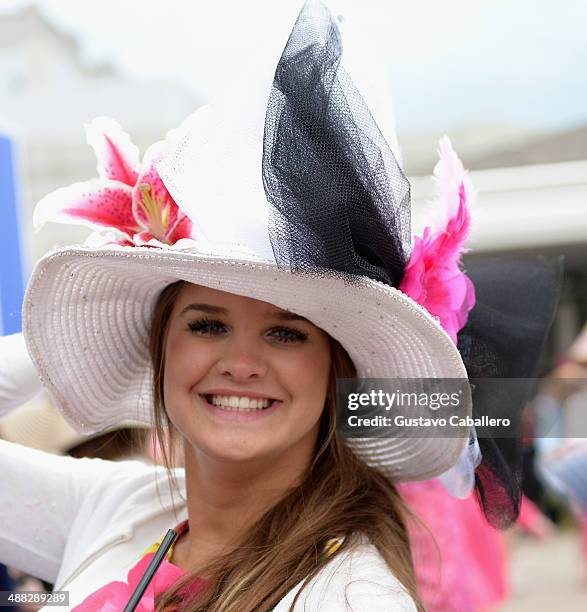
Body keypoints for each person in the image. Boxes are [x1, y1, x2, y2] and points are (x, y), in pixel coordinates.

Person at [0, 1, 559, 610]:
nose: (241, 361)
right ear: (162, 347)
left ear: (335, 371)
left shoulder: (353, 597)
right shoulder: (121, 510)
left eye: (287, 334)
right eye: (207, 325)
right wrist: (69, 336)